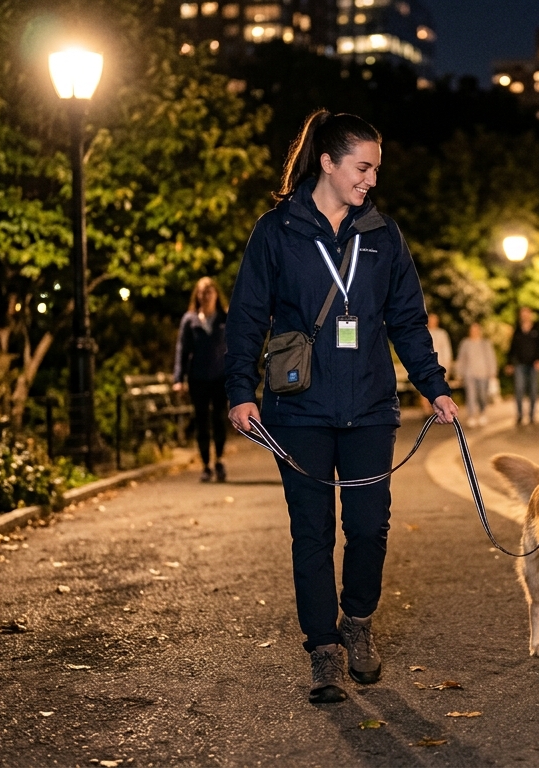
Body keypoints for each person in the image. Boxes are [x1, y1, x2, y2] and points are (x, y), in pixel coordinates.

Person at [225, 110, 459, 704]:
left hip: (370, 407)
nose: (371, 180)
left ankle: (356, 621)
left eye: (376, 169)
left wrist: (433, 385)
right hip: (297, 407)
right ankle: (323, 650)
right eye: (362, 167)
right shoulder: (276, 231)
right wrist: (240, 391)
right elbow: (248, 315)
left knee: (369, 527)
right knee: (312, 531)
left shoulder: (382, 234)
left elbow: (407, 319)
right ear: (327, 163)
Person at [173, 277, 229, 483]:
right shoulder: (190, 320)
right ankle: (205, 464)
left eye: (208, 292)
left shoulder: (225, 318)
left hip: (220, 376)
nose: (205, 296)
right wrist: (178, 378)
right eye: (201, 292)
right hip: (198, 377)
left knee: (219, 418)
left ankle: (219, 459)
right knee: (201, 420)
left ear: (216, 294)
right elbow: (182, 349)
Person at [506, 307, 539, 424]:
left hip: (533, 365)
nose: (525, 316)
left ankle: (532, 415)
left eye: (527, 314)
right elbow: (512, 348)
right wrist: (509, 363)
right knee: (519, 390)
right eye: (523, 314)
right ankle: (519, 415)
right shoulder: (517, 331)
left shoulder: (537, 329)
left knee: (533, 391)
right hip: (520, 364)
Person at [455, 322, 498, 427]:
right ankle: (471, 416)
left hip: (483, 373)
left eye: (476, 330)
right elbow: (461, 359)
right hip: (469, 374)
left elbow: (491, 358)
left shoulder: (485, 343)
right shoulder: (465, 343)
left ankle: (482, 413)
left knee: (482, 395)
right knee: (471, 395)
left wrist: (492, 371)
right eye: (472, 330)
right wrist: (459, 373)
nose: (474, 332)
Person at [421, 313, 453, 415]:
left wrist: (447, 364)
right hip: (424, 364)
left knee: (438, 387)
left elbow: (446, 349)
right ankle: (426, 411)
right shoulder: (422, 332)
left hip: (439, 364)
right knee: (423, 387)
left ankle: (438, 410)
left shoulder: (442, 333)